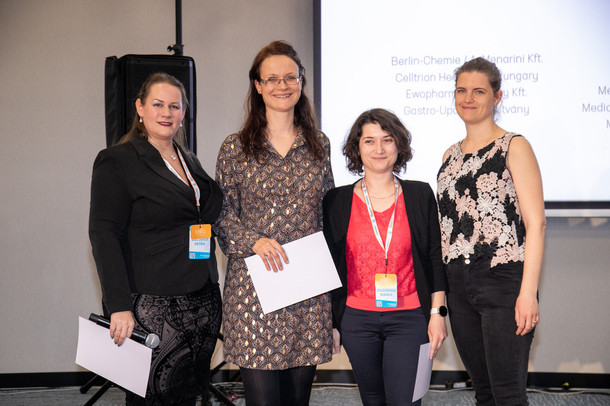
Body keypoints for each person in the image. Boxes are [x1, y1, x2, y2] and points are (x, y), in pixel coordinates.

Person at [89, 73, 223, 405]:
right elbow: (104, 235)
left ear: (183, 112)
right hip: (152, 304)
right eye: (158, 104)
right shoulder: (117, 160)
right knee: (150, 396)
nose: (166, 113)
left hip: (202, 298)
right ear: (140, 108)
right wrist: (119, 306)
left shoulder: (188, 159)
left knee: (189, 393)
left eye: (174, 106)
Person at [214, 40, 335, 406]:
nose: (282, 86)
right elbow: (221, 217)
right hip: (255, 290)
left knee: (298, 399)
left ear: (301, 82)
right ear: (258, 85)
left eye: (290, 77)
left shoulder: (319, 145)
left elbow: (328, 213)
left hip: (308, 291)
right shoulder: (235, 148)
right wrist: (255, 241)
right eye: (272, 79)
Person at [437, 57, 546, 405]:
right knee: (483, 392)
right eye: (461, 90)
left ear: (497, 97)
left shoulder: (514, 146)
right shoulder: (449, 155)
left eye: (479, 91)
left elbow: (536, 224)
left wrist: (527, 294)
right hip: (458, 284)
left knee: (508, 394)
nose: (468, 98)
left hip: (503, 280)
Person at [323, 108, 448, 405]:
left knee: (406, 400)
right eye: (369, 141)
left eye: (387, 139)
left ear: (399, 145)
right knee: (373, 399)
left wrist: (438, 314)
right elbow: (330, 266)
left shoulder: (419, 195)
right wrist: (332, 323)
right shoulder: (336, 201)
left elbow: (434, 258)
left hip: (410, 317)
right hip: (356, 320)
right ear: (356, 148)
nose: (379, 149)